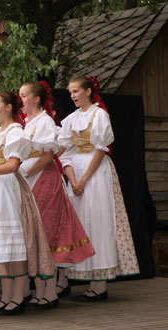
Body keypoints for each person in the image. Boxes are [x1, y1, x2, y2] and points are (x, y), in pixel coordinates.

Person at [0, 91, 54, 315]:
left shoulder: (16, 132)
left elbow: (13, 164)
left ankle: (18, 297)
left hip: (7, 189)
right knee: (0, 242)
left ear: (9, 107)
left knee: (12, 240)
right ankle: (7, 295)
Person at [58, 76, 139, 301]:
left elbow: (100, 149)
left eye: (76, 91)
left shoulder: (99, 115)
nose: (73, 95)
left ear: (88, 91)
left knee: (99, 221)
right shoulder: (70, 120)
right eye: (71, 92)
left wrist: (84, 180)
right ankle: (82, 279)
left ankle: (99, 284)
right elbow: (65, 153)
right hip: (76, 171)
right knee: (81, 223)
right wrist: (73, 180)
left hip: (95, 173)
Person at [19, 81, 95, 308]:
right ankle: (40, 290)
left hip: (43, 180)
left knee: (47, 232)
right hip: (30, 180)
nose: (20, 100)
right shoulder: (27, 123)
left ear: (36, 98)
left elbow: (47, 156)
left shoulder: (44, 122)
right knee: (35, 233)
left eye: (24, 95)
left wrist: (26, 173)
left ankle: (49, 292)